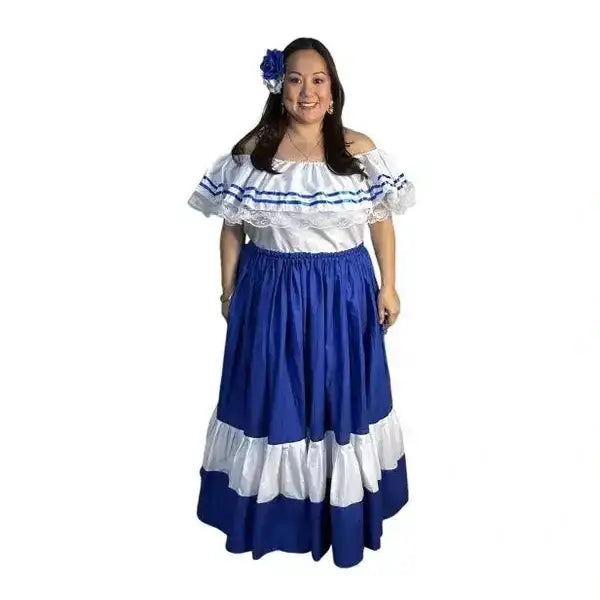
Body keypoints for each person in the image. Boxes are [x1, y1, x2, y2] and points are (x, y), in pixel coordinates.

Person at [187, 38, 415, 568]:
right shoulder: (253, 152)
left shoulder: (359, 151)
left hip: (344, 294)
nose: (307, 91)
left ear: (332, 91)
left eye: (318, 80)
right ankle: (275, 519)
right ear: (279, 87)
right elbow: (232, 228)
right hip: (270, 293)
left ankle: (341, 514)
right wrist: (228, 291)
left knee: (340, 399)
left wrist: (388, 285)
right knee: (275, 398)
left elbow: (381, 222)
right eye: (295, 79)